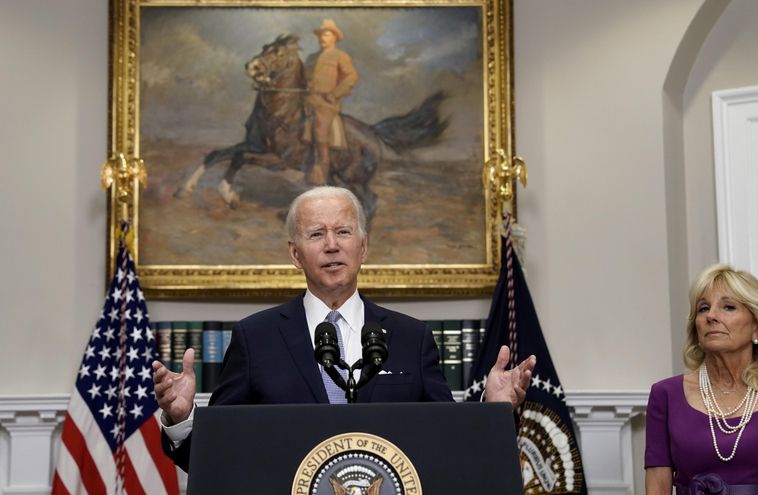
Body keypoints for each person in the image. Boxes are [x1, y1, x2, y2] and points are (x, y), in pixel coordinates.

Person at [152, 186, 536, 471]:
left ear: (364, 247)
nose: (332, 245)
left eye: (344, 232)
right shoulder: (256, 338)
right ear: (295, 253)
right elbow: (219, 457)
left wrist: (495, 410)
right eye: (317, 234)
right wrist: (180, 419)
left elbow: (447, 446)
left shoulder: (410, 337)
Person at [645, 264, 758, 494]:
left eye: (728, 307)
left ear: (757, 329)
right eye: (703, 308)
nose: (711, 316)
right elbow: (657, 487)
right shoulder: (666, 395)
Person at [302, 19, 359, 186]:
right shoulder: (311, 58)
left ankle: (321, 178)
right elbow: (303, 79)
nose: (322, 38)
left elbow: (352, 77)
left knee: (320, 134)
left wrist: (335, 94)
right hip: (307, 101)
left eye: (326, 34)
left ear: (335, 37)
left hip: (326, 105)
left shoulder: (340, 56)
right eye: (321, 34)